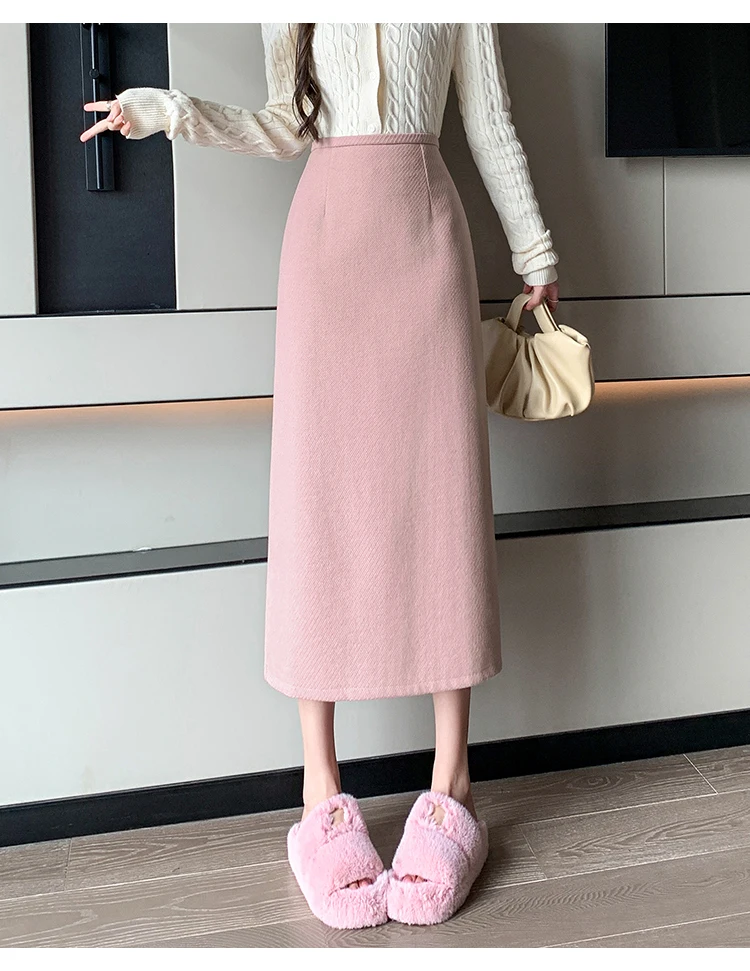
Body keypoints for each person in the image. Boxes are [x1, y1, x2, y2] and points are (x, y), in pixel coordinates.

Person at [81, 22, 559, 931]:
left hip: (426, 246)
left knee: (442, 500)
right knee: (318, 504)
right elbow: (281, 126)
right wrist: (168, 111)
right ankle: (320, 790)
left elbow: (490, 120)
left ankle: (453, 785)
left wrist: (535, 252)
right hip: (326, 252)